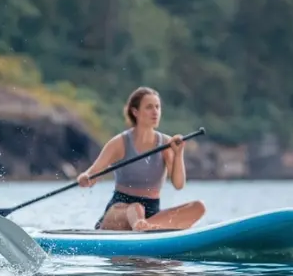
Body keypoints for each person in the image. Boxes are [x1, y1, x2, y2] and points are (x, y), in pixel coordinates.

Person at [77, 86, 206, 231]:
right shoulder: (120, 143)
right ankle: (141, 226)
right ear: (135, 111)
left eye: (157, 107)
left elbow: (178, 184)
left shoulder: (167, 144)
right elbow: (93, 173)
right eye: (149, 107)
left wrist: (178, 153)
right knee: (136, 208)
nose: (155, 112)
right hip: (119, 211)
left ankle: (147, 227)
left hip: (151, 212)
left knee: (198, 207)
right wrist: (85, 177)